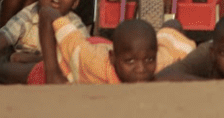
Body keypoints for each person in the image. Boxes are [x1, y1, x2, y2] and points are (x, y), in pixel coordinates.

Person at [0, 0, 86, 84]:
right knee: (5, 63)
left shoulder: (73, 23)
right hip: (25, 64)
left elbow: (84, 53)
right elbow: (4, 36)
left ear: (75, 2)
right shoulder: (29, 14)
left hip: (54, 68)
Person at [37, 15, 194, 84]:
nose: (141, 69)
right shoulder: (91, 62)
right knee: (33, 72)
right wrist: (52, 73)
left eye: (149, 60)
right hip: (86, 49)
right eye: (130, 61)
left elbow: (174, 25)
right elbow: (47, 13)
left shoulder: (162, 63)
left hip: (125, 46)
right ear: (112, 58)